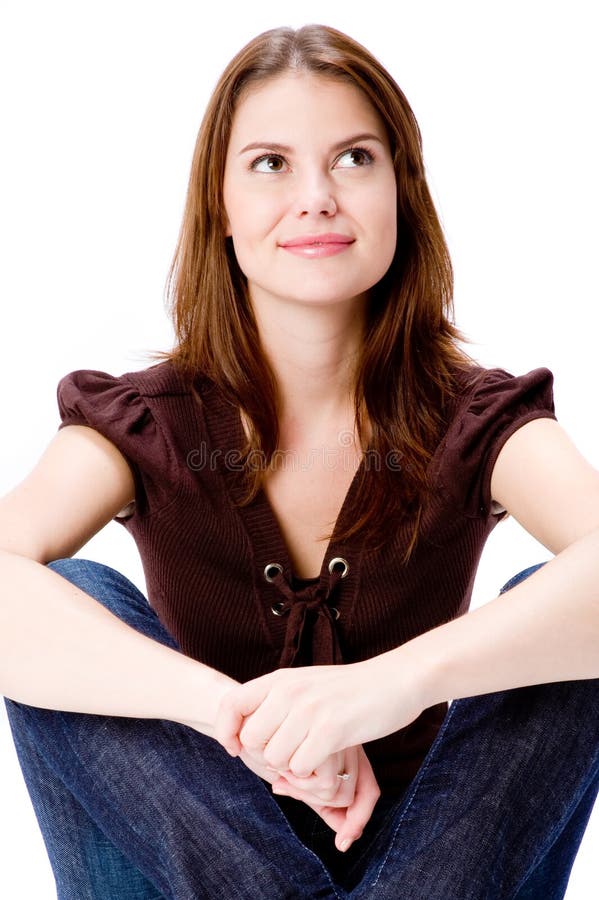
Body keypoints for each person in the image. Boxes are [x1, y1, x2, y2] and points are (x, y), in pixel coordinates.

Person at [1, 22, 598, 900]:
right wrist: (233, 718)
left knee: (557, 623)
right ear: (221, 205)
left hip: (435, 870)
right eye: (270, 164)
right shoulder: (146, 421)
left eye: (353, 158)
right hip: (186, 859)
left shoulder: (474, 418)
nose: (316, 196)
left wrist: (381, 690)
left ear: (401, 190)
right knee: (67, 603)